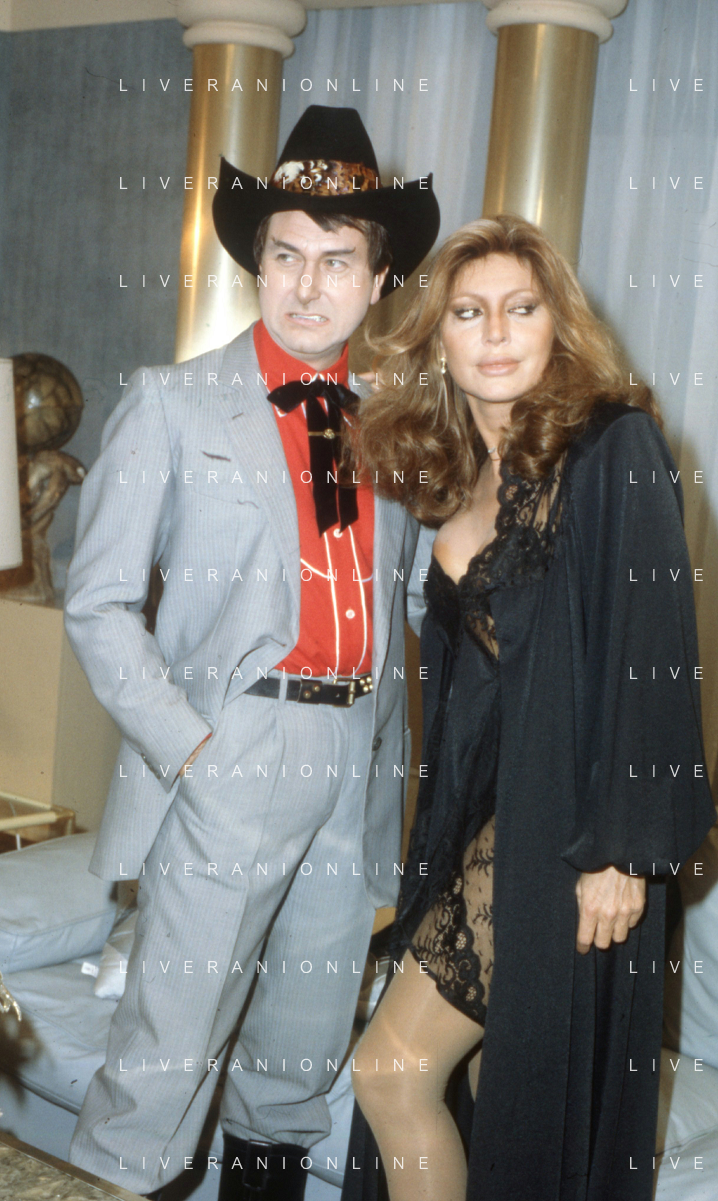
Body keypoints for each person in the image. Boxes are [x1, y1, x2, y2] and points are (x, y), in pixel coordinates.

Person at [63, 105, 439, 1200]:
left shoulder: (399, 423)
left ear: (378, 280)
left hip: (352, 763)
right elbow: (96, 603)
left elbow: (415, 596)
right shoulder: (171, 404)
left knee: (294, 1066)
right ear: (256, 264)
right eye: (286, 255)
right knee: (163, 1067)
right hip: (230, 749)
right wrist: (192, 748)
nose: (307, 285)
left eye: (337, 260)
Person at [343, 215, 716, 1201]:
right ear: (437, 336)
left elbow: (652, 655)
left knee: (390, 1071)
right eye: (469, 313)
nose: (497, 333)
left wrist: (624, 852)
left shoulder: (613, 445)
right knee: (492, 1094)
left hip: (571, 833)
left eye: (521, 308)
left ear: (558, 324)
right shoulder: (456, 474)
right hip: (480, 819)